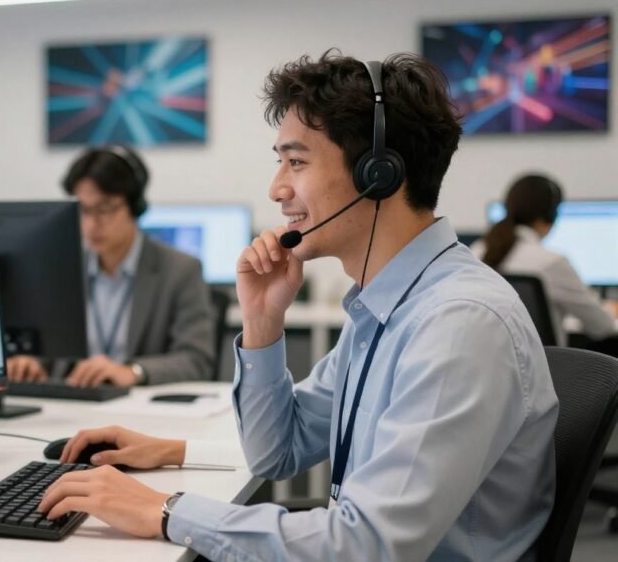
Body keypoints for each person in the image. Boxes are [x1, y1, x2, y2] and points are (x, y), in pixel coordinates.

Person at [36, 51, 558, 561]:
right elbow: (277, 451)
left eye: (296, 161)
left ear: (378, 174)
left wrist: (168, 512)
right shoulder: (383, 310)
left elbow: (368, 546)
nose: (277, 188)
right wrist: (263, 323)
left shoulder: (458, 323)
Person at [6, 144, 215, 387]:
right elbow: (50, 352)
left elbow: (197, 360)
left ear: (135, 207)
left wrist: (133, 371)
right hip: (77, 402)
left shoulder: (180, 270)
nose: (92, 224)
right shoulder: (63, 270)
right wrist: (32, 363)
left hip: (141, 409)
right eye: (83, 210)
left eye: (105, 209)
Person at [471, 173, 618, 348]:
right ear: (550, 215)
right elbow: (602, 326)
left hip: (488, 367)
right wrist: (610, 309)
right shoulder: (551, 262)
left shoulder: (475, 252)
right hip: (543, 371)